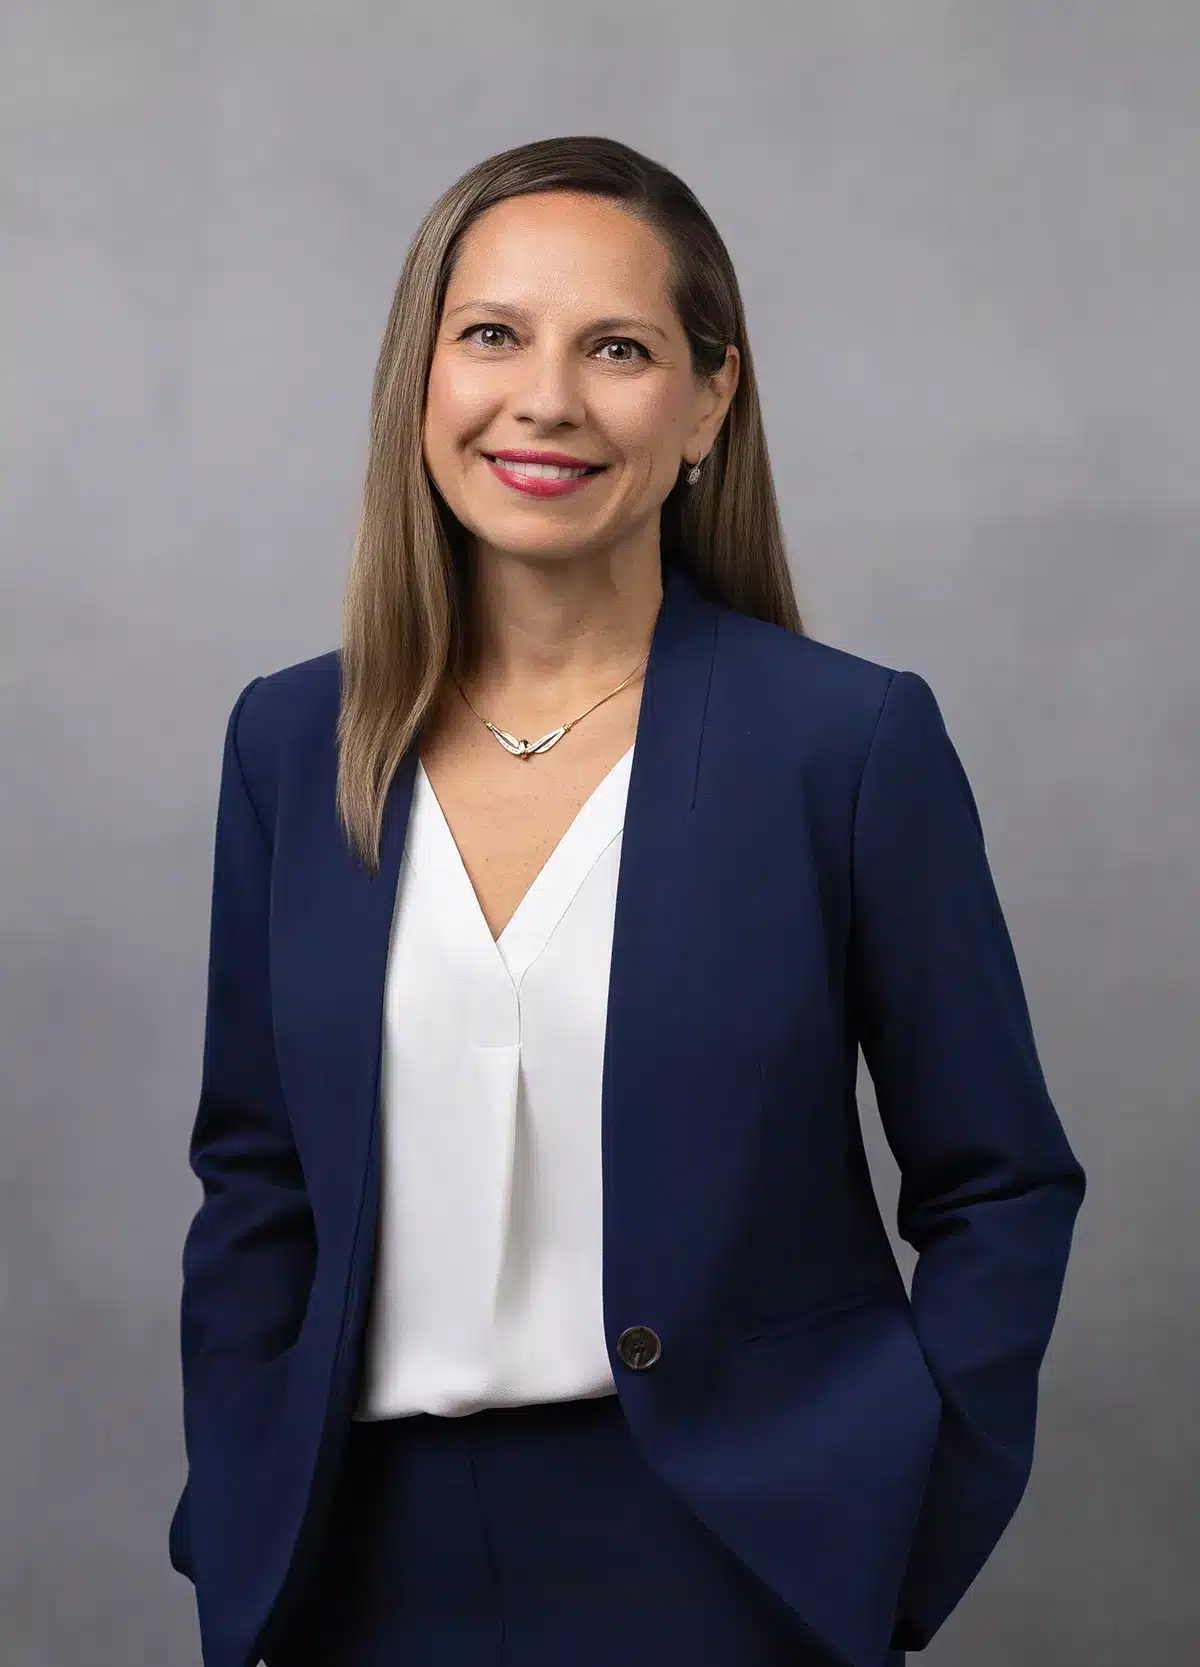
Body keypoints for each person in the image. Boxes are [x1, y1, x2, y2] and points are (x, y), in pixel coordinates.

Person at [168, 135, 1086, 1667]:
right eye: (492, 336)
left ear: (710, 397)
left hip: (734, 1560)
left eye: (617, 347)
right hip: (355, 1576)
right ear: (422, 378)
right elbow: (256, 1180)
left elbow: (1001, 1185)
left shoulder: (842, 744)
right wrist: (242, 1515)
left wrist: (897, 1533)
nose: (546, 399)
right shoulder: (293, 741)